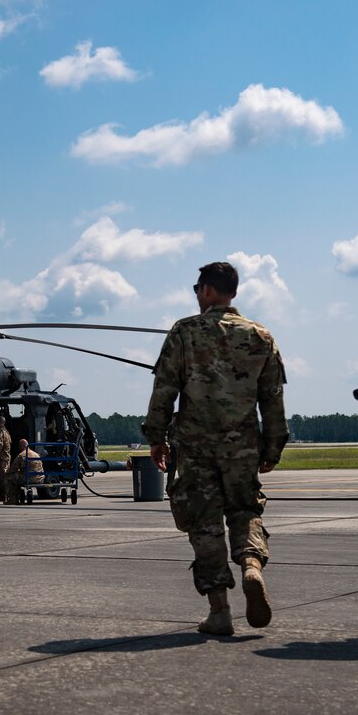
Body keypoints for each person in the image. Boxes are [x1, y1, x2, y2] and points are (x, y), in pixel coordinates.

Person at [142, 261, 288, 636]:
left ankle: (220, 611)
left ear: (206, 290)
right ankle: (252, 567)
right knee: (245, 509)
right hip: (242, 445)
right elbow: (272, 398)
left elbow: (165, 389)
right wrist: (273, 445)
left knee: (204, 524)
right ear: (233, 293)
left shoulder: (184, 332)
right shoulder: (260, 335)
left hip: (195, 446)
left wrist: (156, 436)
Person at [6, 438, 44, 504]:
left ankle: (13, 499)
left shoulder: (22, 455)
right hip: (39, 478)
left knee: (10, 477)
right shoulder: (36, 454)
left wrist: (7, 472)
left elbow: (13, 469)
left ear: (21, 446)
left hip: (28, 479)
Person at [0, 414, 12, 501]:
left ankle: (4, 495)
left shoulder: (1, 432)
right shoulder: (7, 432)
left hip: (3, 458)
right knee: (5, 477)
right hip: (7, 457)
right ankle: (5, 494)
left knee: (2, 478)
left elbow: (0, 445)